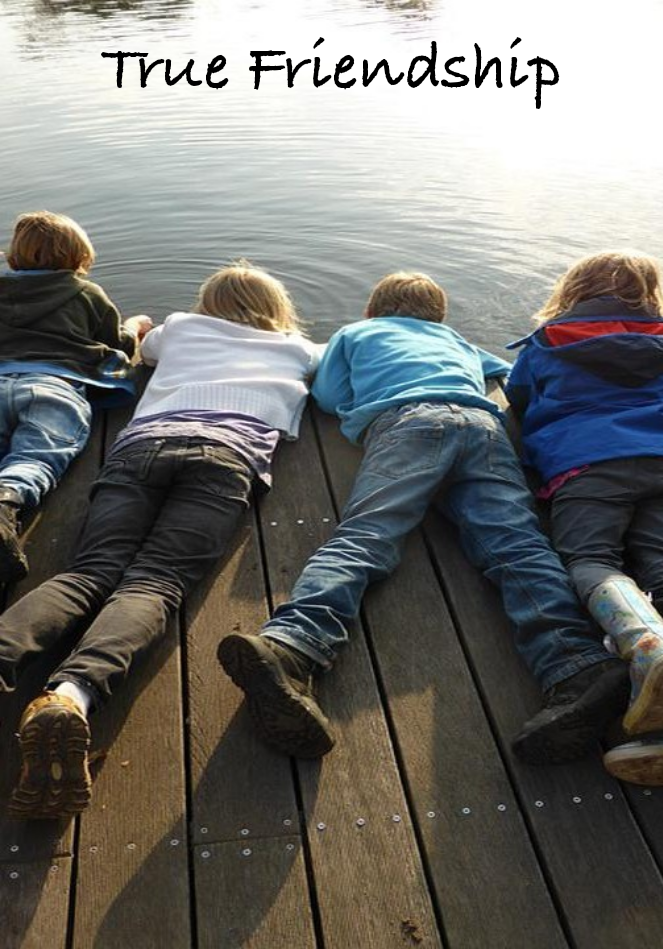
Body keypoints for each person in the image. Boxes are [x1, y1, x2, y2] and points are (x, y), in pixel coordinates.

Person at [218, 271, 627, 762]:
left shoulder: (357, 332)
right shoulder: (455, 339)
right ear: (438, 316)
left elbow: (327, 395)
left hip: (409, 423)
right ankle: (578, 664)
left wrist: (361, 405)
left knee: (368, 535)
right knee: (517, 543)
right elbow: (500, 371)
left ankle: (294, 645)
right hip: (482, 426)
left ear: (373, 309)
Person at [0, 261, 321, 819]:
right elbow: (336, 372)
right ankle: (71, 696)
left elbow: (144, 347)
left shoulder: (183, 327)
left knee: (89, 572)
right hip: (226, 456)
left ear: (206, 303)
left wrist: (146, 329)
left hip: (142, 447)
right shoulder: (298, 348)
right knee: (155, 581)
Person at [504, 251, 663, 785]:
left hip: (587, 463)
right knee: (659, 559)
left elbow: (519, 398)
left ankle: (646, 643)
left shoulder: (548, 341)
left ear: (573, 289)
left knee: (593, 557)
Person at [0, 210, 152, 580]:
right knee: (37, 453)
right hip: (54, 387)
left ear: (14, 254)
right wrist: (135, 325)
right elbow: (116, 343)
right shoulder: (86, 292)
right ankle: (6, 499)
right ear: (79, 257)